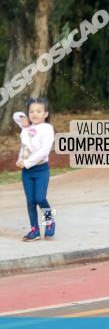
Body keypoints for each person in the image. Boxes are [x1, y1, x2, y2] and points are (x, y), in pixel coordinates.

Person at [15, 97, 56, 241]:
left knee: (40, 198)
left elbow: (44, 151)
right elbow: (24, 146)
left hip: (41, 170)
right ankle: (35, 230)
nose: (34, 114)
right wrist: (20, 160)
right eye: (31, 111)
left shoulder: (47, 128)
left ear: (46, 114)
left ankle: (49, 222)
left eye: (39, 111)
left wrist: (27, 163)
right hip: (27, 172)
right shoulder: (27, 129)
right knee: (30, 201)